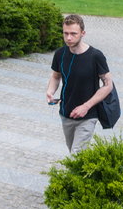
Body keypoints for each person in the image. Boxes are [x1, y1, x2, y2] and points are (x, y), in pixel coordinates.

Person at [46, 14, 113, 154]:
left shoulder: (95, 56)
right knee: (73, 152)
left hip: (88, 115)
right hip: (66, 113)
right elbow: (55, 76)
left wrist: (86, 106)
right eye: (66, 33)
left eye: (73, 34)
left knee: (77, 154)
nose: (69, 38)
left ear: (83, 33)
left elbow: (108, 85)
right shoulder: (60, 54)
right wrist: (50, 92)